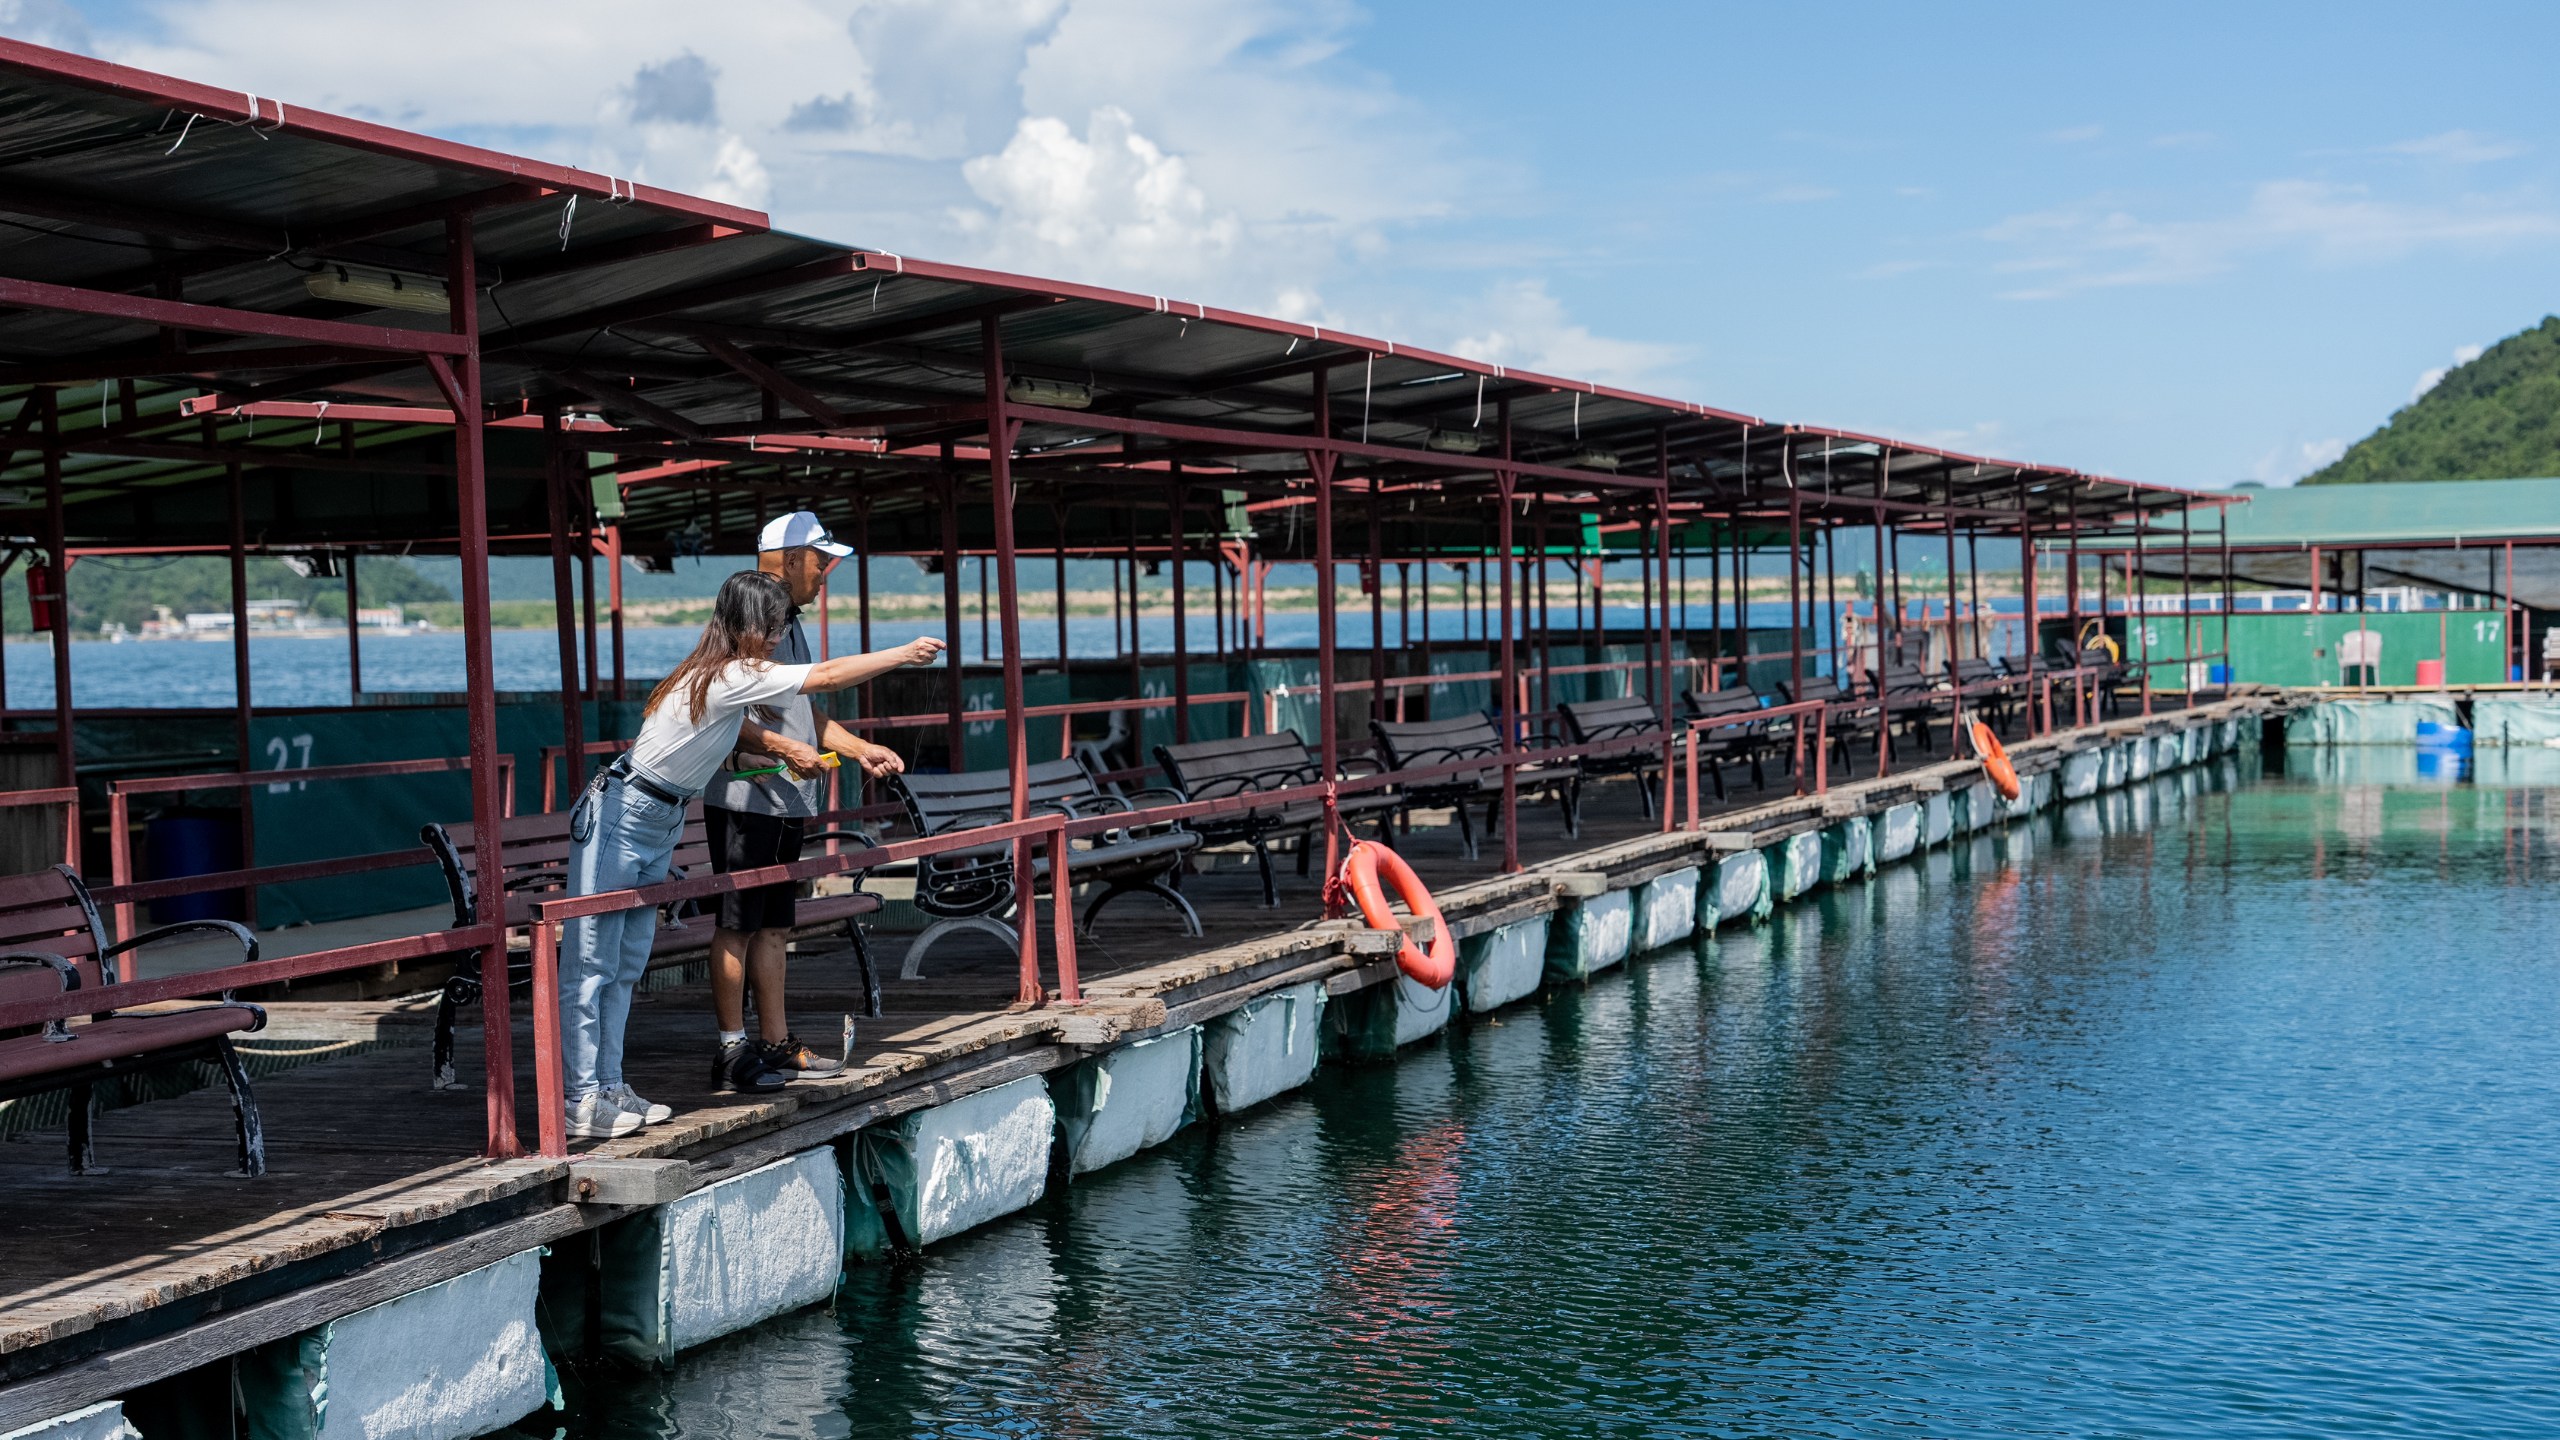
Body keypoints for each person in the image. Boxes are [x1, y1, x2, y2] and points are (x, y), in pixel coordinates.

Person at [559, 569, 943, 1141]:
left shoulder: (721, 675)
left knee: (625, 964)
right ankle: (579, 1097)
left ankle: (609, 1086)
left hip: (658, 815)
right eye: (768, 625)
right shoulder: (730, 672)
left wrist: (788, 746)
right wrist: (904, 653)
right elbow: (829, 676)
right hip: (624, 812)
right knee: (590, 964)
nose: (774, 636)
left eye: (781, 624)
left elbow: (731, 731)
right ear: (740, 624)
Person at [704, 511, 908, 1093]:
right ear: (791, 559)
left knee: (772, 927)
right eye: (822, 561)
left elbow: (806, 711)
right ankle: (731, 1050)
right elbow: (717, 708)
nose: (826, 573)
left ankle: (775, 1042)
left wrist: (860, 745)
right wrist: (780, 747)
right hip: (745, 799)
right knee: (737, 923)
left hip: (785, 800)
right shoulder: (742, 617)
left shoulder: (787, 622)